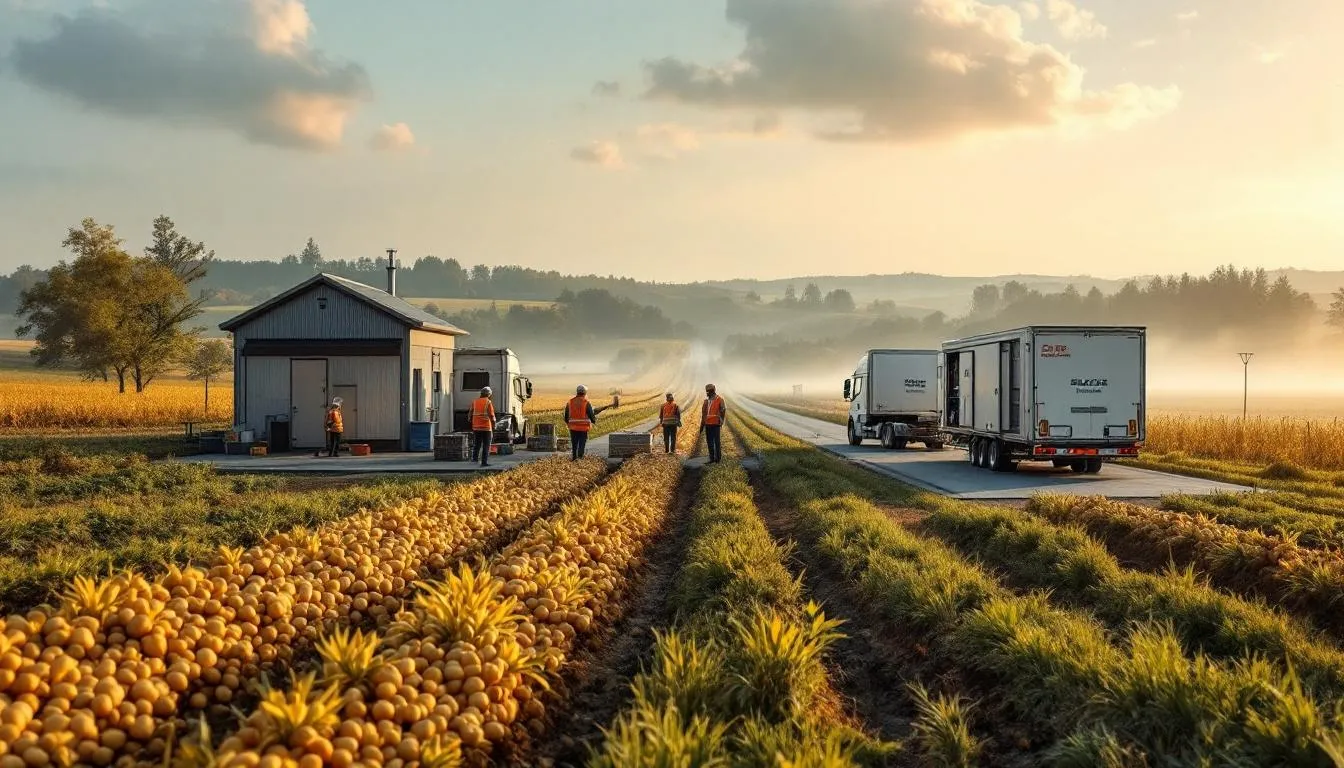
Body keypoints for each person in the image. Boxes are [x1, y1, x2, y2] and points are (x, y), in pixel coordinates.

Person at [567, 384, 598, 460]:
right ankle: (580, 458)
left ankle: (574, 457)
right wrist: (594, 421)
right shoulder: (586, 402)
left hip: (573, 427)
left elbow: (566, 415)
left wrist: (568, 422)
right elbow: (591, 414)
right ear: (585, 393)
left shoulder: (570, 402)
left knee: (574, 443)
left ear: (577, 392)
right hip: (583, 427)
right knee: (582, 443)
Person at [469, 386, 496, 467]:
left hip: (476, 427)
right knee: (486, 445)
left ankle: (474, 458)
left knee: (477, 443)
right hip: (486, 427)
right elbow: (491, 415)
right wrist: (494, 424)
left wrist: (471, 420)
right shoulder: (488, 402)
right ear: (488, 394)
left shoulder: (475, 402)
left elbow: (470, 413)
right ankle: (484, 462)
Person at [701, 384, 726, 463]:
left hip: (715, 424)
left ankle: (717, 459)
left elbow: (723, 410)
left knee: (715, 442)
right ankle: (712, 458)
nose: (707, 393)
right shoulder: (707, 401)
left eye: (708, 392)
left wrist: (721, 420)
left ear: (712, 391)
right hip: (709, 424)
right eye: (707, 391)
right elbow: (703, 414)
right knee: (710, 442)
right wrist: (702, 425)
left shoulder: (719, 399)